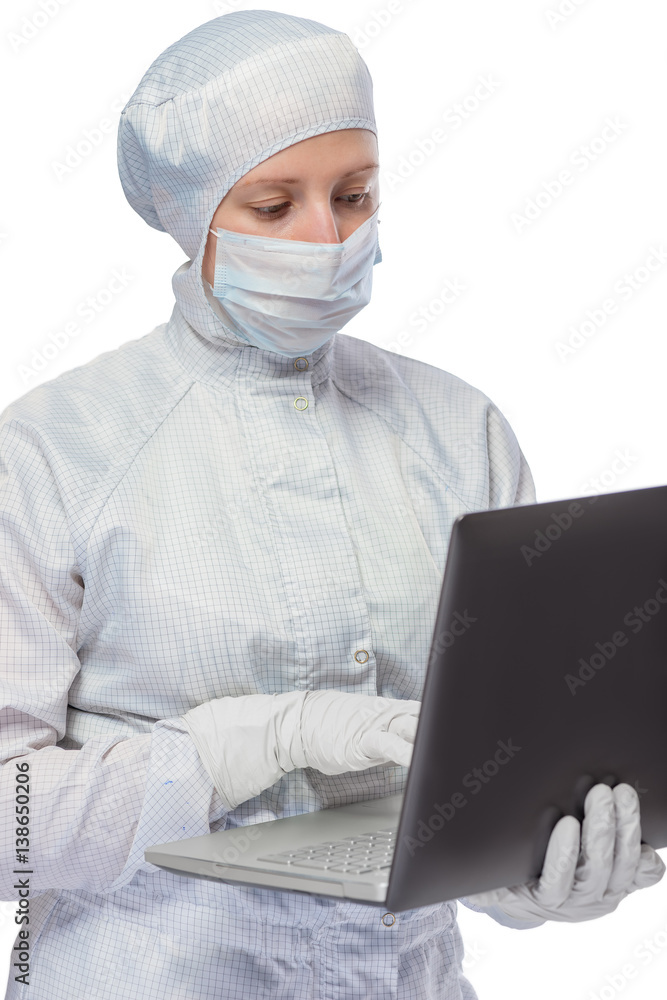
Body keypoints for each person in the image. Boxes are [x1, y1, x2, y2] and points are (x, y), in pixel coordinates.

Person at [0, 10, 663, 1000]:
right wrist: (255, 741)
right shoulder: (59, 448)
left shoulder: (456, 429)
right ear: (190, 211)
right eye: (273, 205)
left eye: (354, 195)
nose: (326, 237)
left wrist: (543, 873)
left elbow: (489, 768)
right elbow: (8, 827)